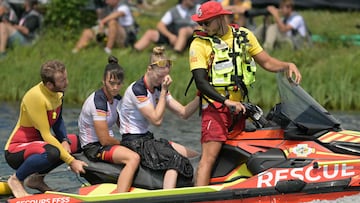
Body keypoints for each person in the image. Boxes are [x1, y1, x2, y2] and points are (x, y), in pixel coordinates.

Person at [188, 1, 302, 186]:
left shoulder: (244, 36)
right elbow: (201, 82)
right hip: (215, 109)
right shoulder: (199, 44)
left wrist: (287, 65)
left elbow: (267, 62)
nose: (203, 27)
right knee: (208, 159)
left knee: (237, 154)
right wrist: (225, 102)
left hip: (239, 109)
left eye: (206, 23)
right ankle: (199, 196)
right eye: (201, 23)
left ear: (219, 19)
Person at [118, 46, 199, 189]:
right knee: (175, 158)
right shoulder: (138, 89)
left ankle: (197, 185)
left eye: (165, 77)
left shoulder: (158, 88)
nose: (163, 80)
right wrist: (164, 92)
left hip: (147, 139)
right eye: (160, 76)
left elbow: (184, 113)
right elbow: (156, 120)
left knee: (194, 155)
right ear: (149, 70)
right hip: (133, 142)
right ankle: (169, 196)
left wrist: (201, 96)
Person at [4, 60, 88, 198]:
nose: (66, 82)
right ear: (49, 84)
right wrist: (71, 161)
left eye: (66, 78)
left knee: (77, 142)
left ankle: (36, 179)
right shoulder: (36, 97)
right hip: (16, 149)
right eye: (62, 80)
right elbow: (46, 135)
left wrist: (64, 140)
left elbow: (58, 120)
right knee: (52, 152)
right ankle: (16, 179)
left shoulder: (58, 93)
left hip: (40, 144)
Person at [78, 55, 140, 193]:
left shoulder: (118, 99)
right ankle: (120, 195)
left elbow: (126, 127)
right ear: (103, 81)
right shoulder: (98, 102)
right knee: (133, 158)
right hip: (94, 147)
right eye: (111, 83)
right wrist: (124, 144)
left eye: (118, 84)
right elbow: (104, 139)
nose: (115, 87)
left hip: (106, 144)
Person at [134, 0, 200, 53]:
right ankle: (135, 51)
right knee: (150, 33)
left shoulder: (198, 8)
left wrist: (198, 28)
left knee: (183, 30)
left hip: (192, 36)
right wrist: (170, 36)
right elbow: (160, 25)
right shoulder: (173, 10)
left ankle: (176, 53)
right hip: (174, 35)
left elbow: (206, 23)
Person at [72, 0, 137, 54]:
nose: (106, 2)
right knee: (87, 32)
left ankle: (108, 49)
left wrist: (103, 21)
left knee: (112, 22)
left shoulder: (123, 6)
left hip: (125, 38)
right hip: (110, 34)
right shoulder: (108, 8)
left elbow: (119, 13)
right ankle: (75, 51)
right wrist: (100, 27)